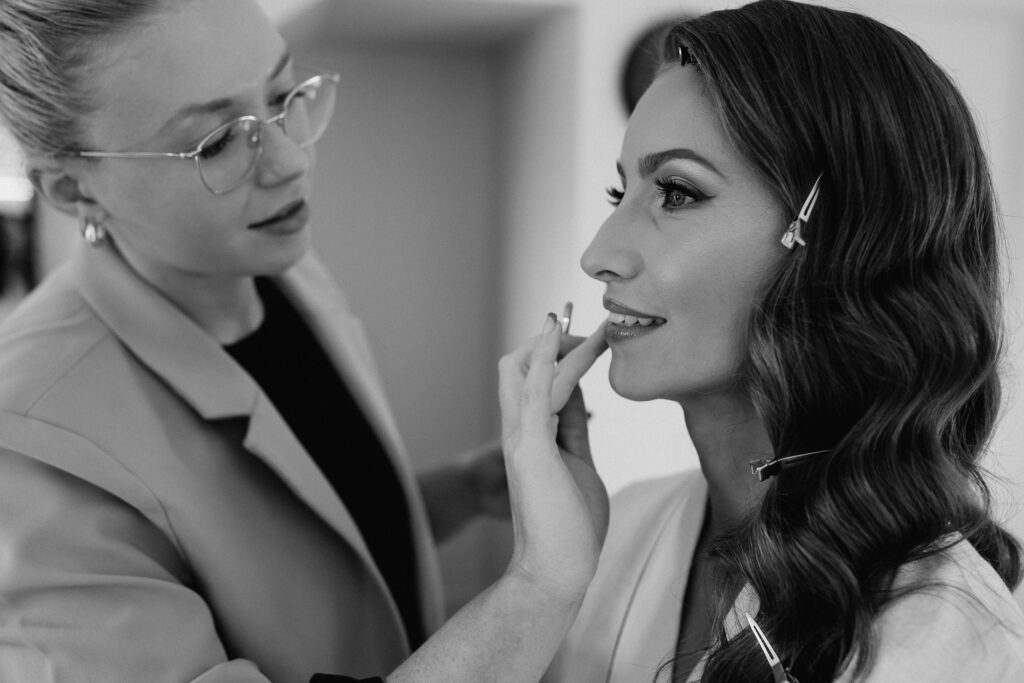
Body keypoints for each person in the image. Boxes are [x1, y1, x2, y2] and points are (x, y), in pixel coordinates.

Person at [0, 0, 609, 680]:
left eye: (284, 94)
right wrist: (541, 583)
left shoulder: (276, 265)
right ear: (69, 186)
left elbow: (292, 545)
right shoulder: (25, 440)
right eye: (218, 142)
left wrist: (458, 491)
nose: (291, 161)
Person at [540, 1, 1024, 681]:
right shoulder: (617, 530)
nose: (599, 255)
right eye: (620, 192)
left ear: (833, 239)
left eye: (676, 192)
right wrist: (539, 577)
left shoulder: (948, 643)